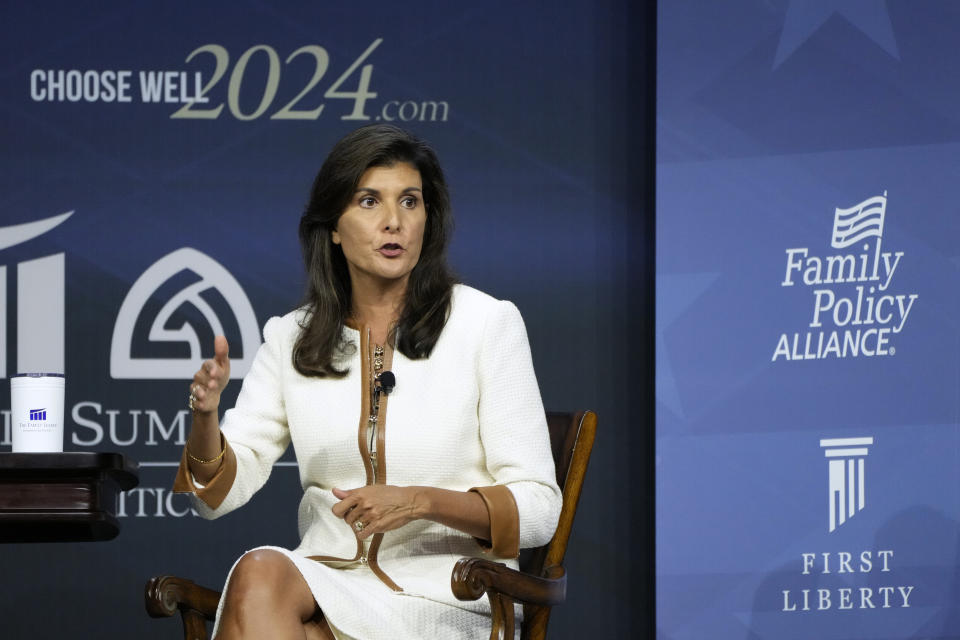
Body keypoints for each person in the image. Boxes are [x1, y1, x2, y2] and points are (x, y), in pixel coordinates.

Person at [173, 124, 562, 640]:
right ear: (334, 225)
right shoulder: (292, 337)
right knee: (260, 570)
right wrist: (205, 420)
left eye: (410, 201)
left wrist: (420, 500)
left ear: (429, 217)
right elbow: (216, 496)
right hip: (326, 580)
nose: (394, 222)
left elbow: (539, 508)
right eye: (369, 201)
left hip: (447, 596)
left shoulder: (486, 325)